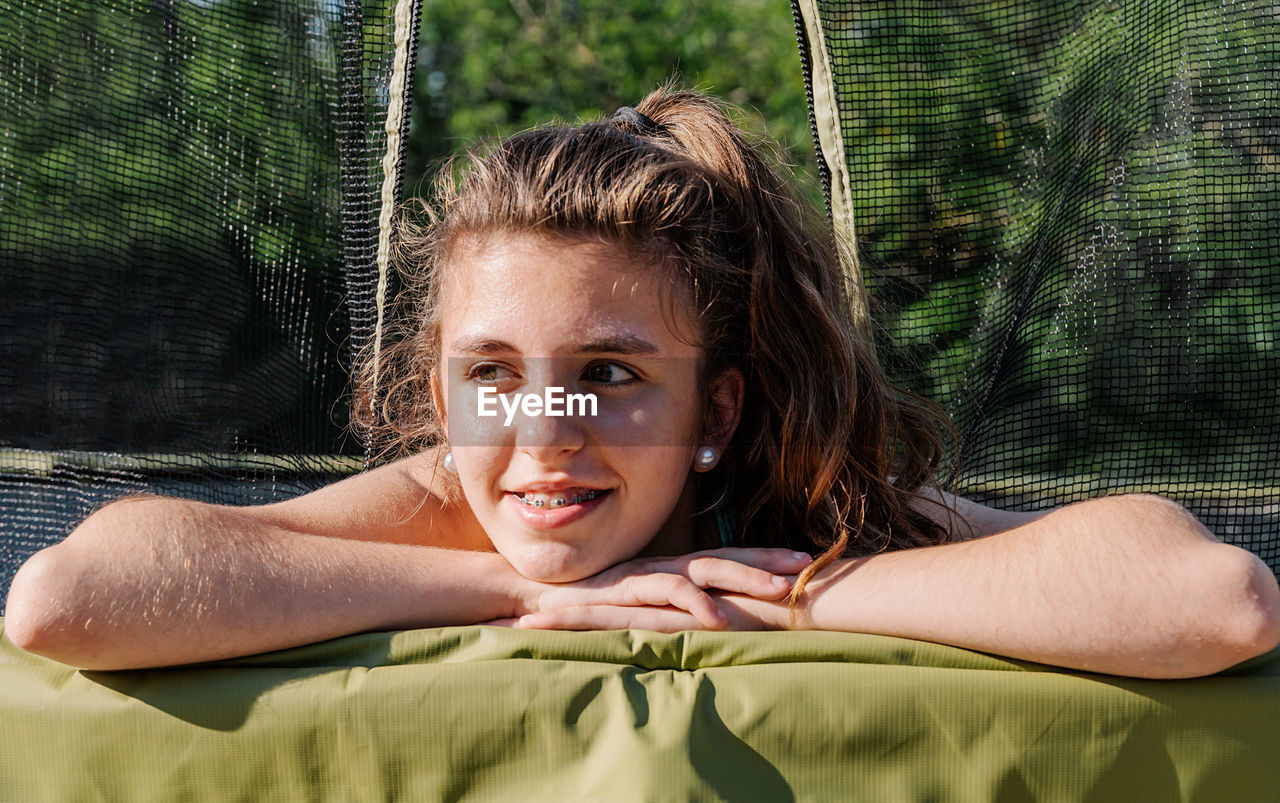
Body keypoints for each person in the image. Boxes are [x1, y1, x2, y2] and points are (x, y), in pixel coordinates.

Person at [6, 88, 1279, 677]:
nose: (542, 429)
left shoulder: (791, 512)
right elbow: (67, 596)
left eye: (606, 373)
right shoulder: (457, 492)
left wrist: (791, 603)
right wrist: (510, 586)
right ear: (440, 394)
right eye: (491, 374)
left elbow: (1213, 598)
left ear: (714, 409)